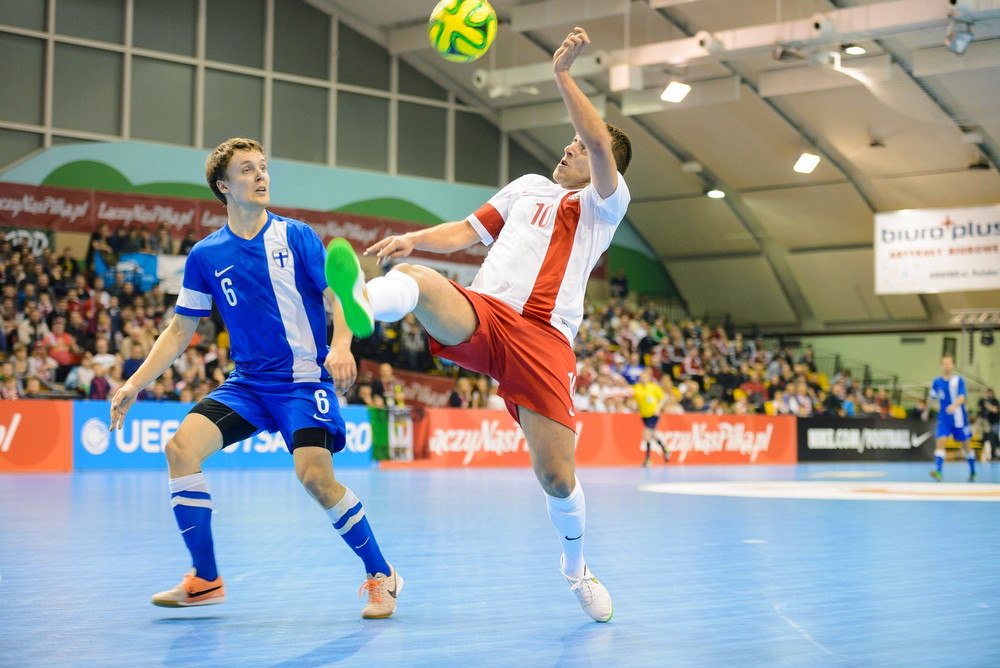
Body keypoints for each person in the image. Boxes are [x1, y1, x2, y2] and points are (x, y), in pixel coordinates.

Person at [326, 27, 630, 623]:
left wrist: (562, 75)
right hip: (487, 315)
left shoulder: (604, 204)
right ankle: (362, 302)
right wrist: (415, 237)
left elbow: (598, 142)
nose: (568, 149)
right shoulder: (526, 189)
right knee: (420, 279)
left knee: (556, 476)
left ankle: (576, 568)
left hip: (545, 338)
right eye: (566, 143)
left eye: (577, 145)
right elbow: (467, 231)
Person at [108, 138, 402, 618]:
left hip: (303, 381)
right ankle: (205, 579)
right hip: (247, 384)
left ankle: (382, 575)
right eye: (248, 170)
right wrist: (133, 383)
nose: (261, 176)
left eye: (263, 167)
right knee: (180, 449)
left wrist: (343, 344)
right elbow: (181, 327)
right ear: (224, 186)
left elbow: (341, 296)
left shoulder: (297, 236)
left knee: (315, 478)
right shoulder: (206, 255)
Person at [924, 353, 975, 482]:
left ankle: (973, 471)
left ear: (953, 365)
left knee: (966, 446)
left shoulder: (958, 381)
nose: (947, 366)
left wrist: (954, 406)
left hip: (959, 419)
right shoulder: (937, 382)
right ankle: (939, 472)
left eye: (949, 363)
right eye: (944, 364)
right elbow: (931, 397)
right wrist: (926, 411)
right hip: (944, 419)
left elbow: (962, 396)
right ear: (941, 366)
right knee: (940, 442)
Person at [633, 369, 668, 466]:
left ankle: (648, 459)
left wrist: (658, 408)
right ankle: (665, 449)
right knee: (652, 435)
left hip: (653, 414)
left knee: (647, 434)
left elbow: (662, 398)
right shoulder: (637, 388)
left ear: (648, 378)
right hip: (644, 415)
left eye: (645, 377)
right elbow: (633, 398)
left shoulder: (653, 387)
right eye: (641, 377)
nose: (643, 379)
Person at [978, 388, 999, 458]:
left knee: (993, 437)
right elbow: (980, 409)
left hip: (994, 423)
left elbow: (995, 410)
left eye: (990, 393)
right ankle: (991, 452)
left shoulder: (995, 401)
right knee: (987, 437)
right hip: (985, 422)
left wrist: (988, 405)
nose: (988, 394)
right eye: (987, 393)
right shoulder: (983, 401)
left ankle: (994, 452)